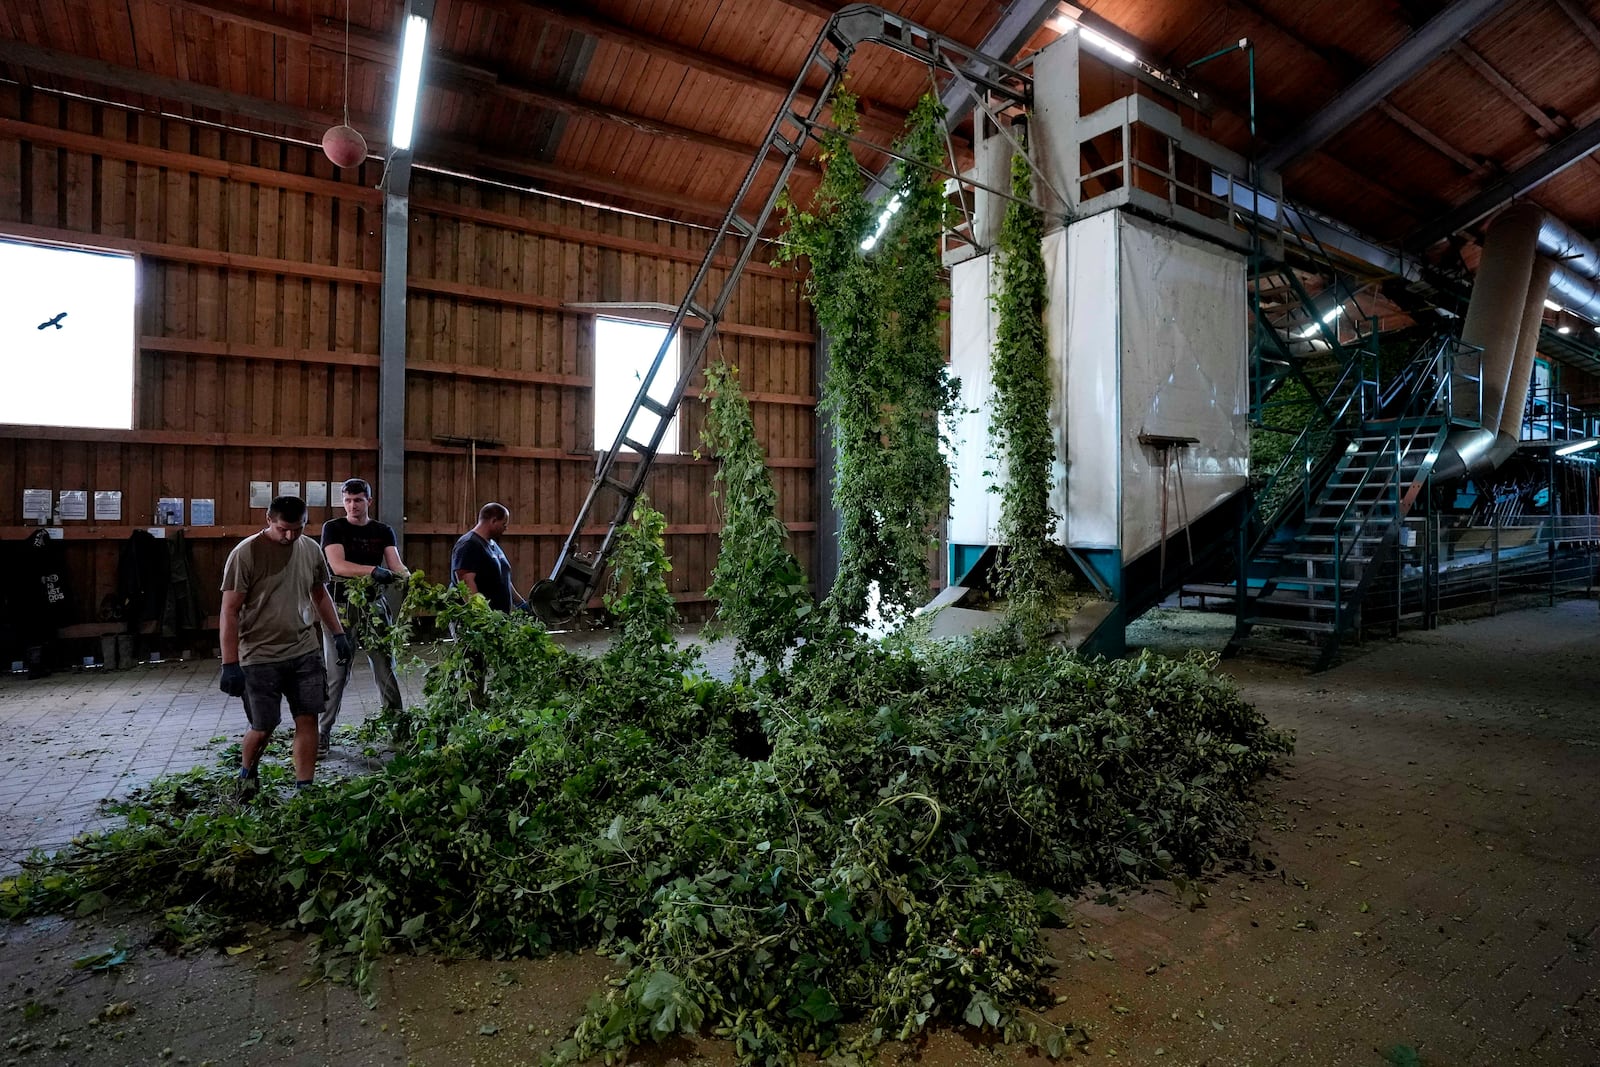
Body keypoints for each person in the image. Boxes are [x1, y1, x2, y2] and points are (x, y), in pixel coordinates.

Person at [219, 496, 351, 795]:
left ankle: (305, 787)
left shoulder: (310, 550)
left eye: (298, 529)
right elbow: (229, 610)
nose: (290, 536)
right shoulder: (246, 554)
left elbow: (319, 594)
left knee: (308, 717)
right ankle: (247, 775)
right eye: (283, 529)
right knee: (264, 725)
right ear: (269, 520)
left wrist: (338, 634)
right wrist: (229, 663)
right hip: (259, 654)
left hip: (304, 650)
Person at [319, 477, 409, 754]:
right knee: (337, 673)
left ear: (369, 501)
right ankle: (322, 732)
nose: (352, 505)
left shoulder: (382, 531)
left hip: (374, 608)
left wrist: (409, 578)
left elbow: (394, 564)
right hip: (342, 610)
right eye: (347, 500)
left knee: (385, 669)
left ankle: (398, 729)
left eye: (358, 500)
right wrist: (372, 571)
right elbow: (337, 565)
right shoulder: (333, 528)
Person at [450, 502, 523, 612]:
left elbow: (504, 579)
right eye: (503, 524)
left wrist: (521, 604)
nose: (506, 528)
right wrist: (482, 616)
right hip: (480, 623)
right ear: (493, 521)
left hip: (498, 620)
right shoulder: (469, 544)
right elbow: (466, 584)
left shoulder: (493, 545)